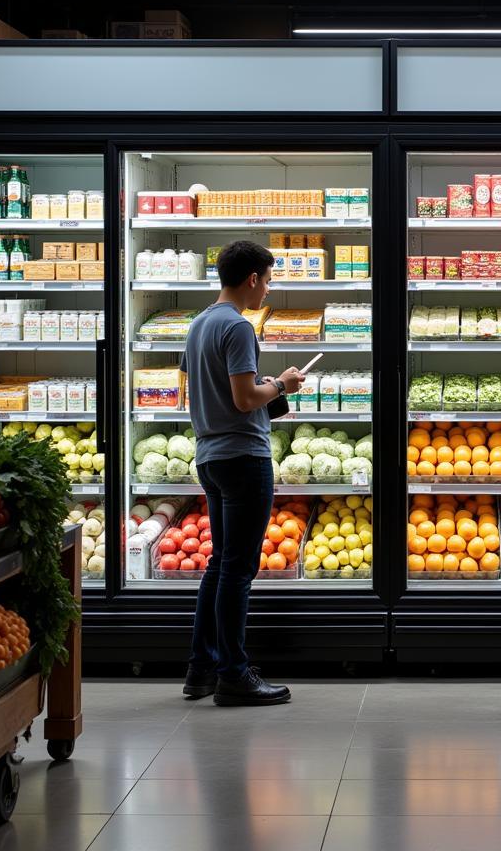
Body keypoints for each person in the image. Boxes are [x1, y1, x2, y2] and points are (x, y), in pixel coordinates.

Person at [180, 240, 305, 706]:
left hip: (210, 455)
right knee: (238, 569)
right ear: (252, 278)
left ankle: (201, 668)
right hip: (243, 460)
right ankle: (234, 673)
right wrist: (282, 385)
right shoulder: (237, 327)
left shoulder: (198, 325)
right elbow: (244, 398)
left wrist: (265, 402)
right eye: (268, 279)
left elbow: (210, 396)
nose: (267, 288)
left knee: (219, 563)